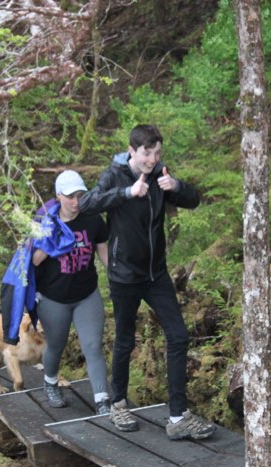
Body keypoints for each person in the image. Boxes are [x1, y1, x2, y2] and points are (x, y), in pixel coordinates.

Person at [80, 124, 215, 441]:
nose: (152, 159)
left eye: (156, 153)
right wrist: (127, 193)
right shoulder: (115, 175)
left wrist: (176, 186)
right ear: (132, 151)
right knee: (125, 339)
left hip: (156, 274)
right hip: (124, 275)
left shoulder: (160, 174)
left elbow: (194, 200)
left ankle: (178, 416)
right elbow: (87, 204)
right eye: (146, 153)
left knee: (179, 336)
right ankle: (118, 403)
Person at [31, 170, 111, 415]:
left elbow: (104, 252)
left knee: (93, 345)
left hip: (86, 294)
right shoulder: (44, 221)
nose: (76, 202)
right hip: (53, 298)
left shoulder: (92, 218)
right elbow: (31, 261)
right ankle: (51, 382)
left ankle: (102, 400)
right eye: (70, 197)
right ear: (58, 196)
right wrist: (49, 241)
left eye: (80, 195)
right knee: (56, 344)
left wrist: (118, 279)